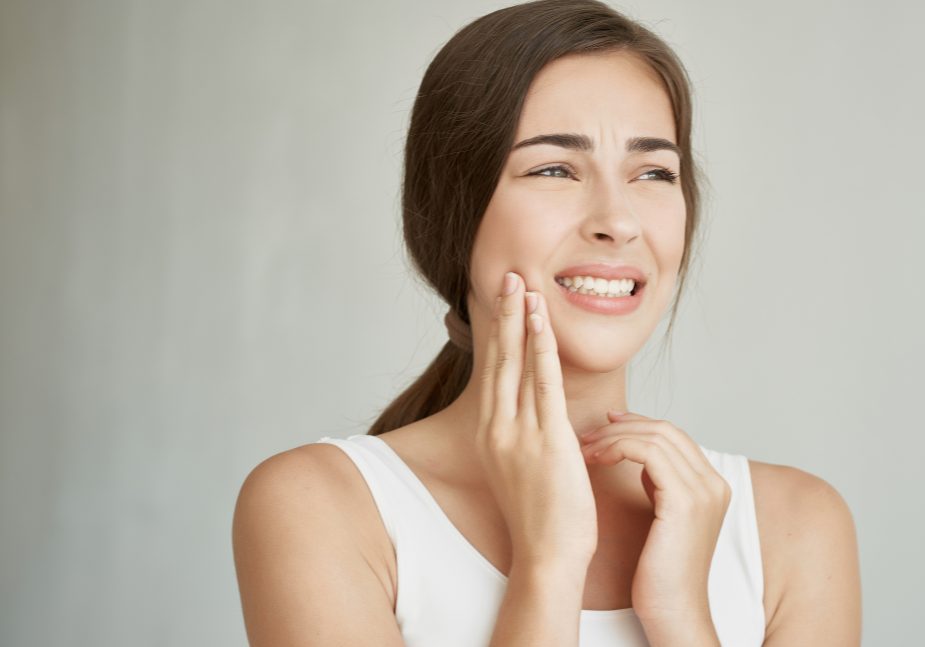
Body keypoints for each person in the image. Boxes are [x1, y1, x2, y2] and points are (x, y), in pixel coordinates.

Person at [231, 0, 862, 645]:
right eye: (555, 169)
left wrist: (682, 616)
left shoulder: (796, 525)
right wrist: (548, 566)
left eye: (653, 172)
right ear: (454, 211)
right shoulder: (322, 506)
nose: (618, 221)